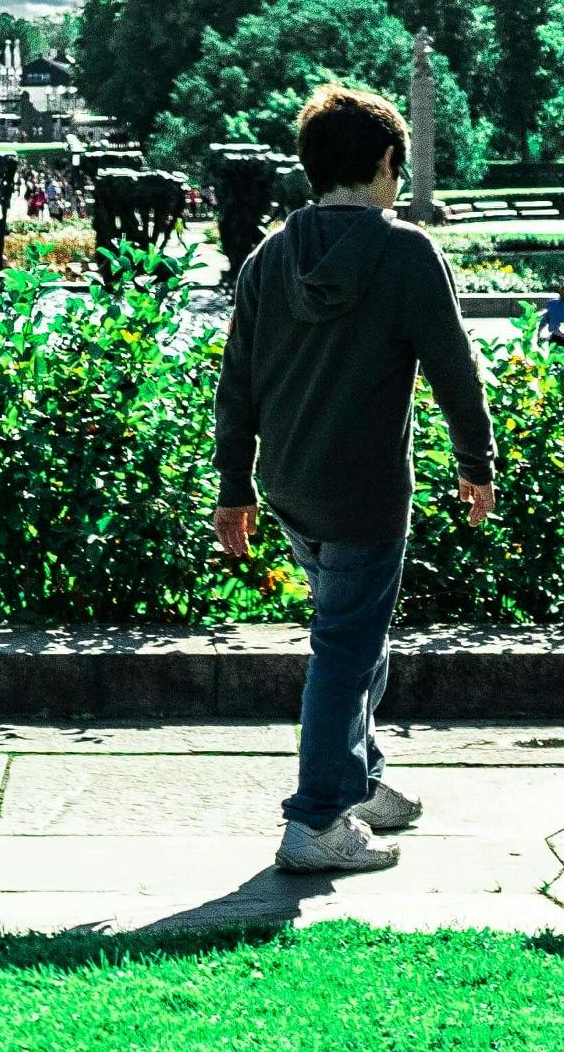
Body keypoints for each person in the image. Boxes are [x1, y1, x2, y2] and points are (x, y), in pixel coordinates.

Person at [213, 81, 496, 877]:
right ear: (383, 162)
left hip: (290, 484)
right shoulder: (406, 250)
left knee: (353, 634)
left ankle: (359, 778)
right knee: (346, 646)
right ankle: (317, 820)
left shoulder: (271, 255)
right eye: (397, 166)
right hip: (367, 488)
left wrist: (234, 487)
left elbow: (237, 382)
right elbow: (454, 372)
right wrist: (478, 465)